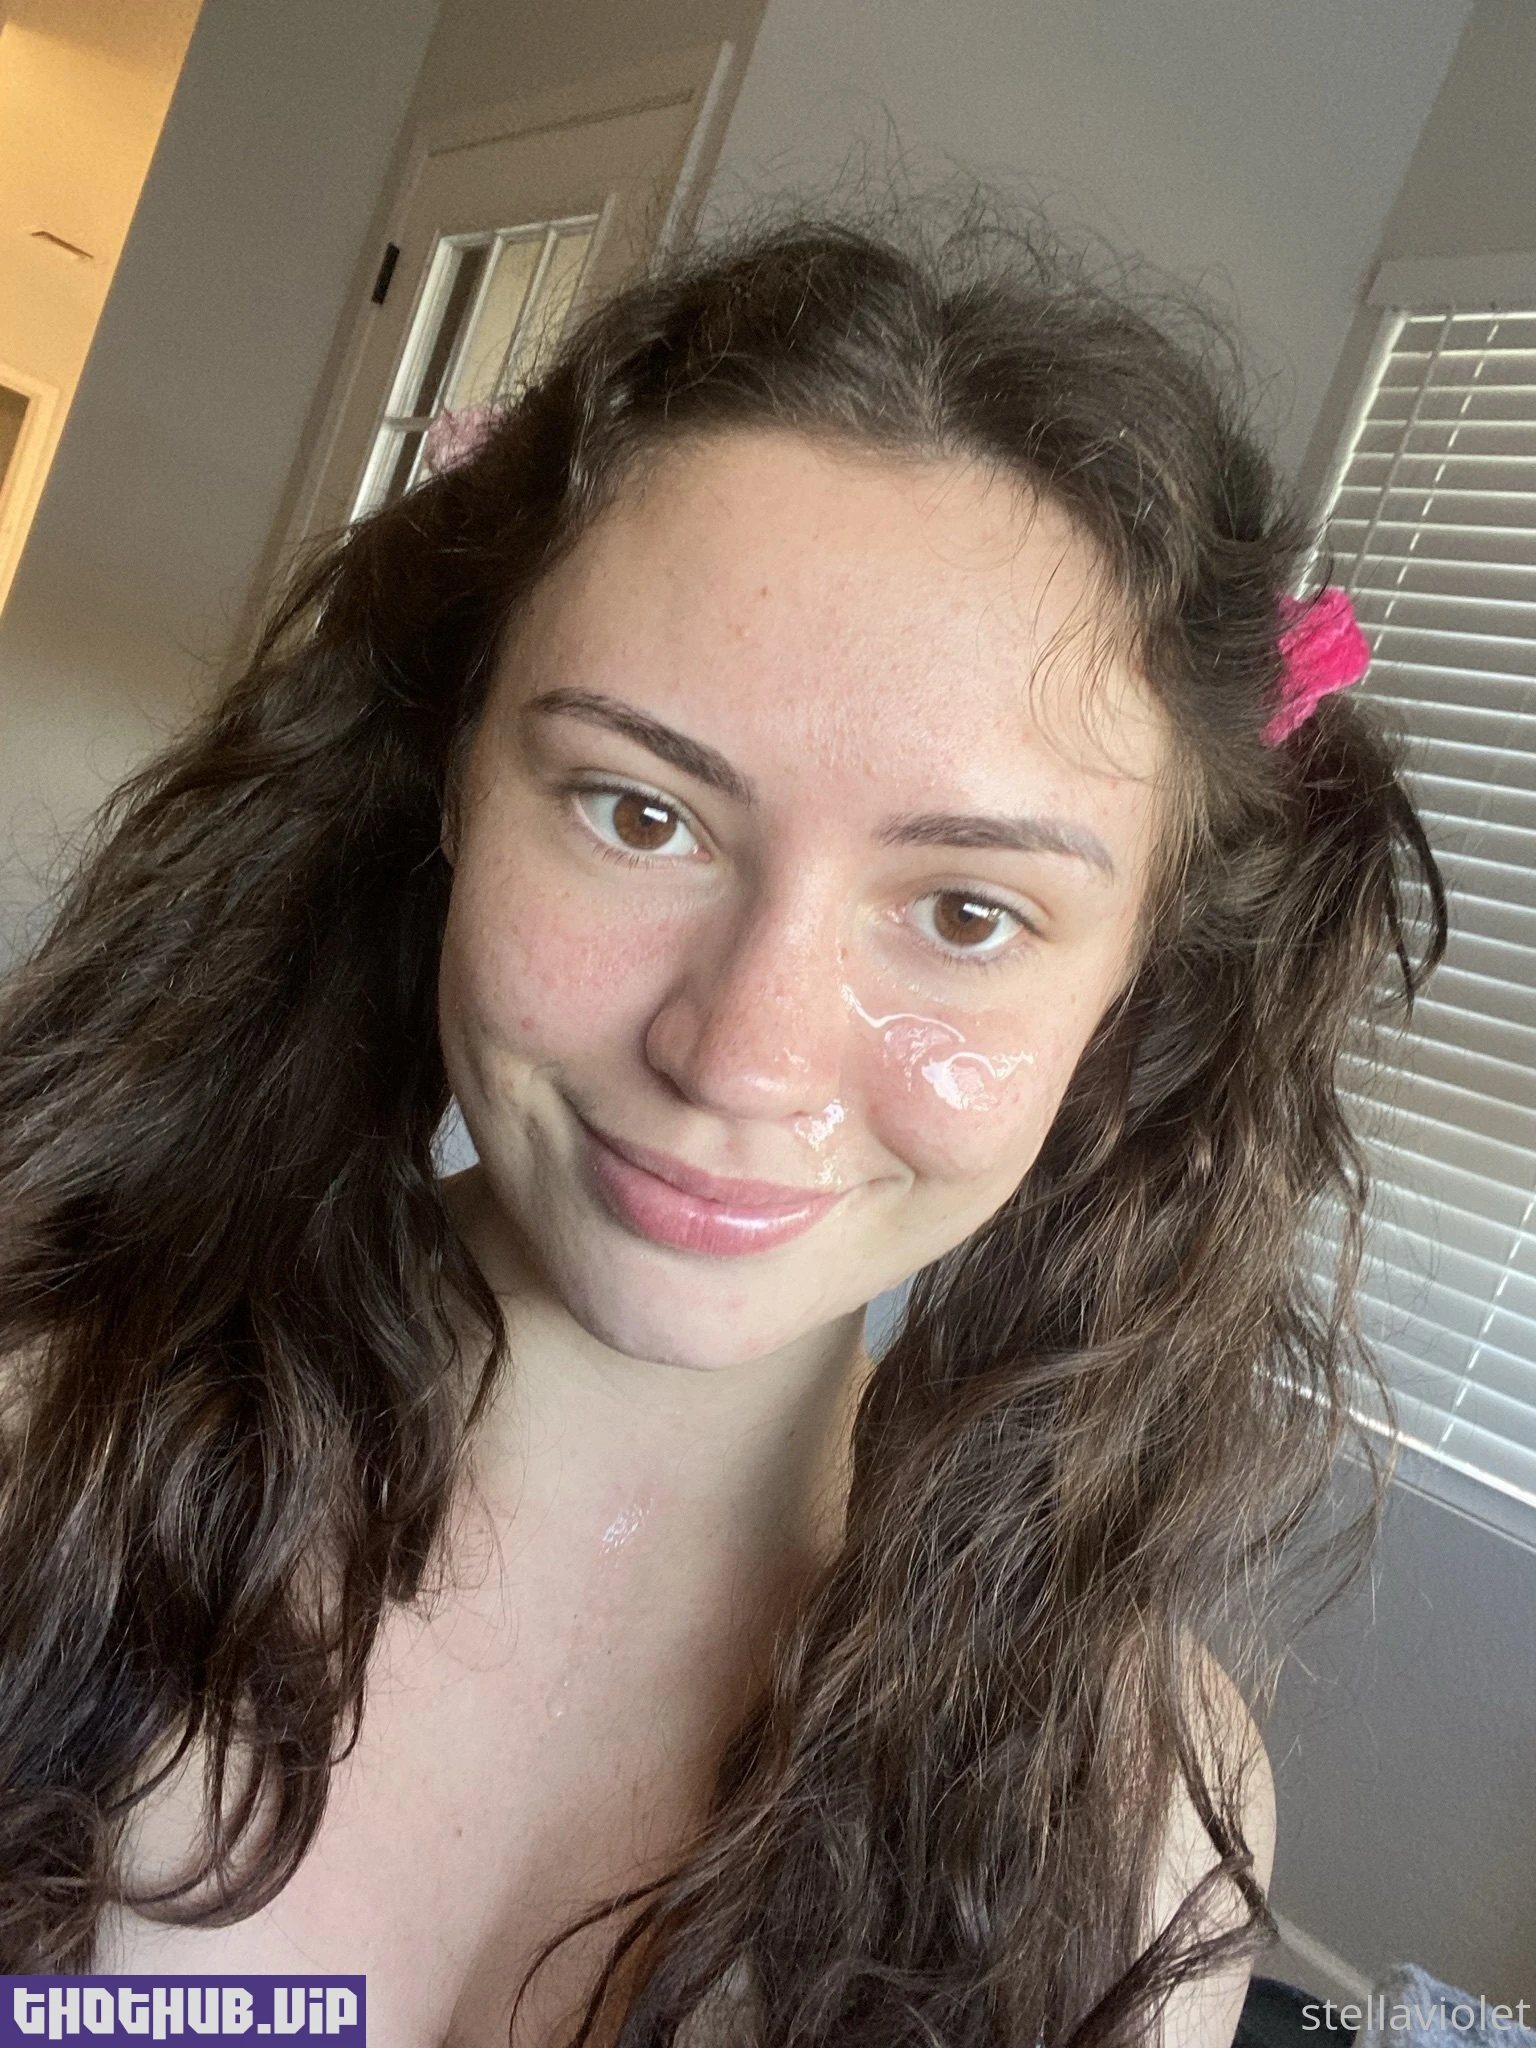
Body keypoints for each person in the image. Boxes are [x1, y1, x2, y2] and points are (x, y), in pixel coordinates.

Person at [0, 213, 1444, 2048]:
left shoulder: (1133, 1818)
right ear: (453, 785)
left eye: (968, 913)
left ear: (1134, 998)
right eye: (637, 813)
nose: (742, 1058)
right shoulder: (31, 1456)